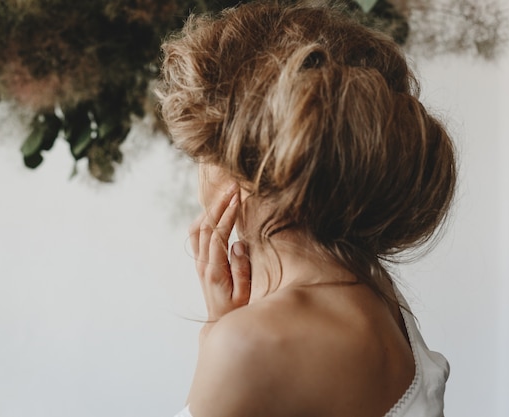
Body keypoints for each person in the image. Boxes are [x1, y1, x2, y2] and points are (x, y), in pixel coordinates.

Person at [157, 2, 456, 416]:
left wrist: (216, 335)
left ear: (246, 174)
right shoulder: (381, 293)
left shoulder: (247, 347)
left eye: (201, 154)